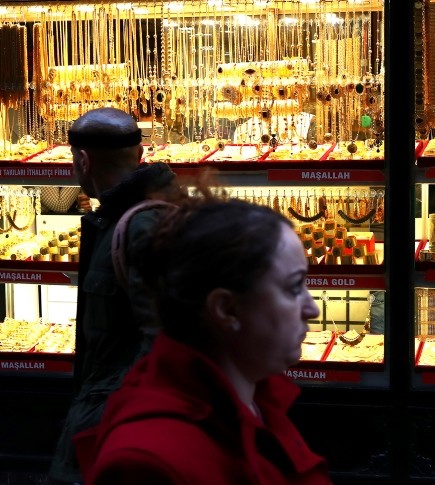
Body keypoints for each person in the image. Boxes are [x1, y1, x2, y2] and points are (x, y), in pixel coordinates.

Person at [73, 196, 331, 484]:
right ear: (226, 309)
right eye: (294, 287)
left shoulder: (254, 401)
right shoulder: (149, 464)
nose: (312, 308)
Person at [49, 107, 182, 483]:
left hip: (119, 427)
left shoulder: (141, 224)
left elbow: (163, 344)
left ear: (83, 160)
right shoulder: (128, 217)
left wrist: (114, 416)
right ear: (140, 156)